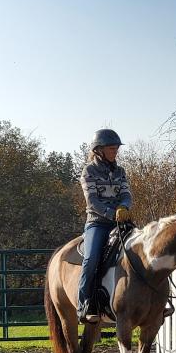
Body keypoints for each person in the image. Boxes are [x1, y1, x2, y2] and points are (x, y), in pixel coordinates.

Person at [77, 128, 132, 323]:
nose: (115, 151)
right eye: (111, 148)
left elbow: (126, 194)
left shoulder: (120, 171)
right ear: (99, 150)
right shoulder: (88, 171)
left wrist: (124, 206)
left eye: (116, 148)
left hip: (121, 221)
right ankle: (84, 306)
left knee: (145, 249)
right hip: (98, 224)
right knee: (91, 259)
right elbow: (92, 201)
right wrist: (112, 214)